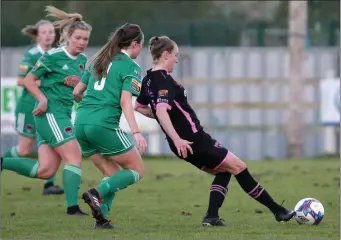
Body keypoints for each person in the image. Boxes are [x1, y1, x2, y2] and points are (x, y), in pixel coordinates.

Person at [134, 36, 296, 226]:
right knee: (239, 167)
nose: (176, 60)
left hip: (182, 141)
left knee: (224, 170)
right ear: (165, 54)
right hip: (192, 139)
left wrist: (170, 125)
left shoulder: (148, 79)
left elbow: (140, 106)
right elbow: (160, 110)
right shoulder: (164, 80)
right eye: (175, 55)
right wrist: (177, 137)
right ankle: (278, 211)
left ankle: (211, 216)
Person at [1, 5, 91, 216]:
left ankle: (3, 162)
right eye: (78, 38)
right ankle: (73, 208)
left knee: (46, 170)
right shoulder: (53, 56)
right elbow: (29, 80)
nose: (82, 42)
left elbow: (76, 93)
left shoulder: (83, 61)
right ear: (69, 36)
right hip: (50, 114)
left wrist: (79, 93)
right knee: (74, 156)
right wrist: (41, 99)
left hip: (62, 114)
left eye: (86, 39)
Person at [73, 23, 146, 229]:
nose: (141, 50)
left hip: (81, 123)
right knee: (137, 169)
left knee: (112, 174)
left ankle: (101, 220)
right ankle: (95, 194)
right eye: (142, 45)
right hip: (102, 124)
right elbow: (125, 102)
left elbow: (76, 92)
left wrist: (87, 108)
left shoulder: (97, 59)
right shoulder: (131, 67)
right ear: (134, 44)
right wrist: (137, 132)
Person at [1, 20, 64, 195]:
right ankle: (2, 162)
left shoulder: (57, 54)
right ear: (37, 35)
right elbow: (21, 80)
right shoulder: (31, 55)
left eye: (51, 32)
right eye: (44, 32)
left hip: (48, 109)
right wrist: (47, 82)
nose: (48, 35)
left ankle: (49, 185)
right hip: (29, 108)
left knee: (52, 144)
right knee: (24, 150)